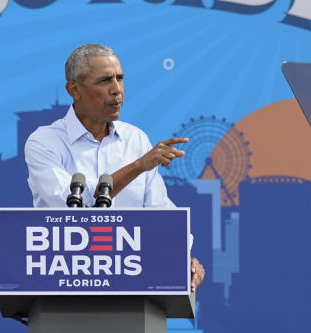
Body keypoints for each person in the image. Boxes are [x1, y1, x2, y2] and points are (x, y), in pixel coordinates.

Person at [25, 43, 205, 291]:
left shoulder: (136, 139)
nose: (117, 90)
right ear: (74, 89)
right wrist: (139, 165)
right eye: (104, 81)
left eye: (120, 78)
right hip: (65, 285)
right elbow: (73, 205)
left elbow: (162, 215)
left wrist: (182, 259)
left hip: (135, 289)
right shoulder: (44, 141)